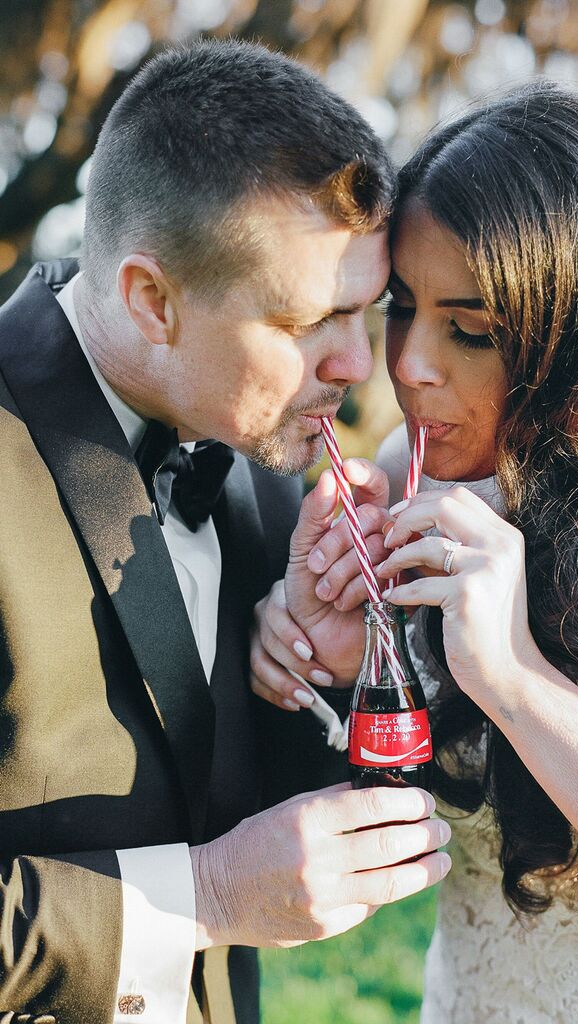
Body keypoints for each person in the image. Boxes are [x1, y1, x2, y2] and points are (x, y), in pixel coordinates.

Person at [250, 82, 578, 1022]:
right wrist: (330, 666)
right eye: (402, 306)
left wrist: (518, 681)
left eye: (473, 328)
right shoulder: (415, 476)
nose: (405, 364)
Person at [0, 39, 452, 1024]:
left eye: (367, 313)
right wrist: (197, 900)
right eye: (310, 323)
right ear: (152, 300)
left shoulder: (264, 471)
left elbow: (247, 822)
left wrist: (319, 668)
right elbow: (218, 880)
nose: (356, 366)